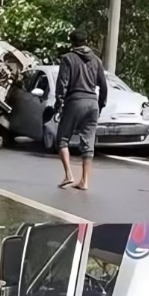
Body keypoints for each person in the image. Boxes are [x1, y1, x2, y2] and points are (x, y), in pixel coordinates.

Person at [54, 29, 108, 191]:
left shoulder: (68, 59)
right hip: (92, 103)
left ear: (72, 42)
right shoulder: (97, 61)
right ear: (86, 42)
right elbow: (104, 86)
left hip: (75, 101)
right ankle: (84, 181)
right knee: (88, 143)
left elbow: (62, 84)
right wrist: (100, 105)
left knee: (62, 139)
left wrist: (58, 106)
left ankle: (68, 175)